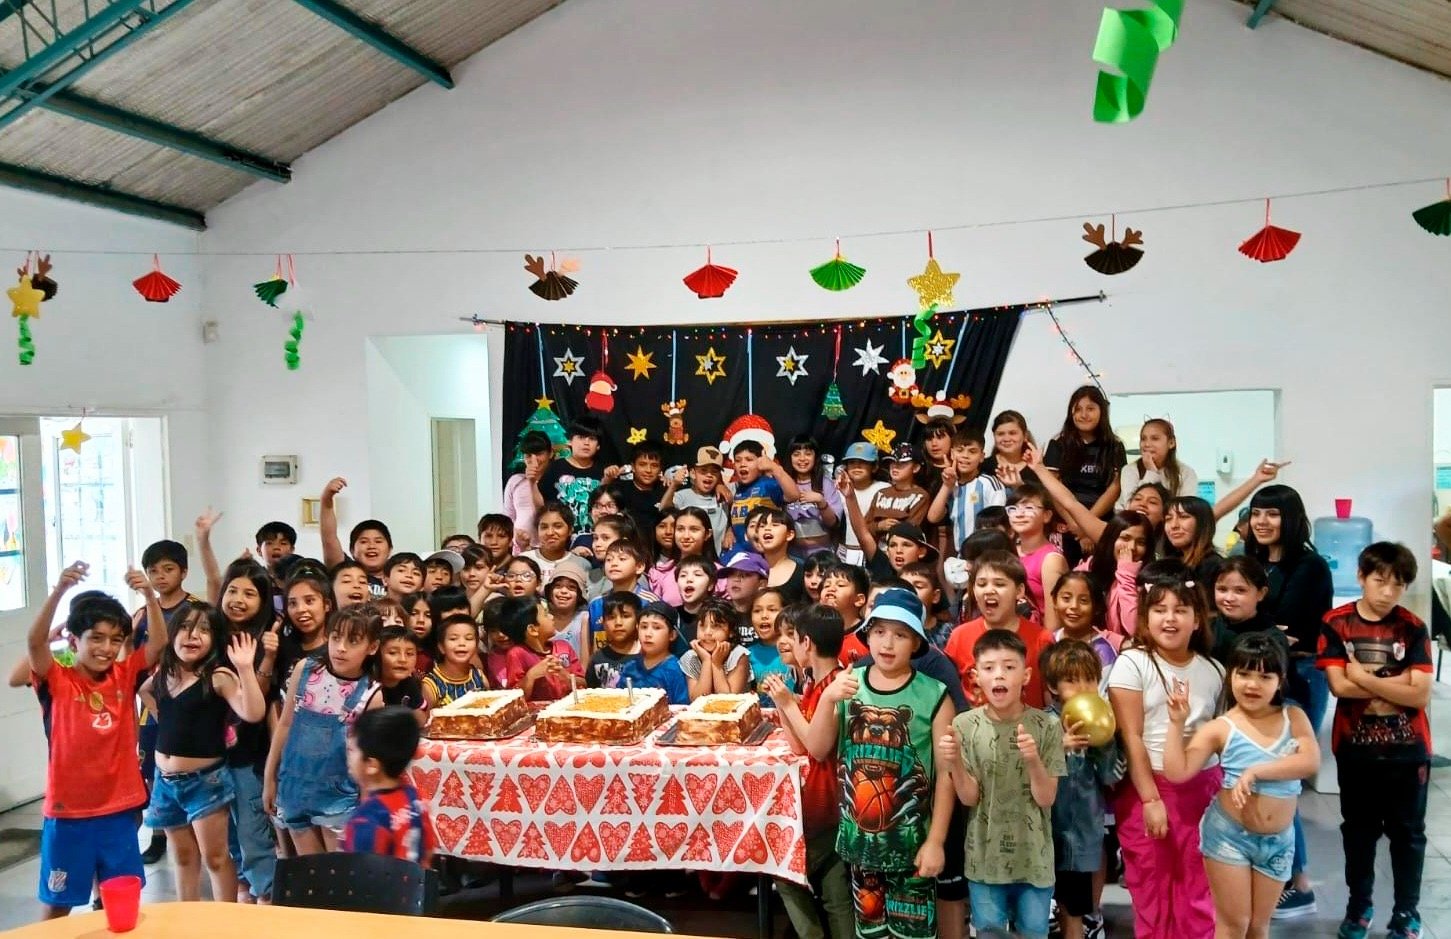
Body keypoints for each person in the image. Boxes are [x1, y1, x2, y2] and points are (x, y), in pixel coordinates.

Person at [804, 587, 955, 939]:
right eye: (880, 631)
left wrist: (936, 841)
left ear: (916, 643)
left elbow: (946, 775)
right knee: (869, 933)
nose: (888, 643)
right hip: (860, 848)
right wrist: (827, 698)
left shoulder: (935, 696)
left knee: (912, 934)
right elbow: (817, 748)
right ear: (867, 635)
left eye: (900, 634)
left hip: (911, 847)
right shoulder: (847, 684)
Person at [29, 561, 169, 919]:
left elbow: (158, 643)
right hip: (68, 813)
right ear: (73, 640)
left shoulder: (123, 675)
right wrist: (59, 591)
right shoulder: (56, 679)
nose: (106, 648)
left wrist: (149, 595)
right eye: (96, 638)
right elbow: (34, 642)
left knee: (120, 899)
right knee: (58, 903)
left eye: (116, 640)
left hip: (119, 811)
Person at [1162, 633, 1319, 939]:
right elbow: (1177, 772)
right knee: (1234, 926)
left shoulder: (1293, 716)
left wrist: (1256, 772)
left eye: (1265, 676)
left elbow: (1310, 761)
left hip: (1278, 841)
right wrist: (1176, 723)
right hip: (1229, 837)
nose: (1252, 684)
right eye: (1244, 674)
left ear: (1280, 681)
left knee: (1259, 926)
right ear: (1230, 675)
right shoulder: (1221, 727)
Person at [1317, 542, 1432, 939]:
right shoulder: (1336, 622)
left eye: (1397, 584)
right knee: (1359, 832)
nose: (1387, 592)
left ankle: (1406, 913)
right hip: (1356, 750)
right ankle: (1359, 908)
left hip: (1408, 751)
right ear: (1361, 577)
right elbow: (1339, 687)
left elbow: (1419, 695)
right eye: (1380, 580)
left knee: (1408, 835)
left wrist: (1363, 677)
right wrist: (1396, 683)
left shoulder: (1413, 627)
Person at [1106, 559, 1225, 939]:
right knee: (1152, 886)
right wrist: (1151, 798)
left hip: (1202, 790)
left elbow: (1216, 735)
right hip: (1149, 787)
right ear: (1145, 617)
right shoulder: (1133, 663)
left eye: (1180, 610)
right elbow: (1132, 736)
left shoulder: (1214, 670)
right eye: (1159, 610)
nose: (1170, 619)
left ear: (1198, 619)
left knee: (1198, 887)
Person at [938, 628, 1065, 939]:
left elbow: (1046, 798)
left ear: (1026, 675)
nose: (999, 675)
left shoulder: (1047, 725)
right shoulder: (964, 725)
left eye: (1009, 667)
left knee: (1034, 932)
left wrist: (1033, 759)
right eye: (989, 667)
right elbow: (969, 798)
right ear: (975, 676)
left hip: (1034, 860)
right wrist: (954, 762)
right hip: (984, 860)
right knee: (989, 933)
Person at [138, 602, 266, 903]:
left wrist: (245, 669)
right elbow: (144, 690)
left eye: (204, 630)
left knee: (215, 857)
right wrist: (164, 718)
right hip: (165, 782)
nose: (192, 635)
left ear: (214, 639)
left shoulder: (218, 676)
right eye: (185, 627)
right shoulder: (165, 673)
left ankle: (224, 921)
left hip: (204, 782)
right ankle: (188, 918)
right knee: (182, 857)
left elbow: (253, 712)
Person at [1245, 484, 1332, 918]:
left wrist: (1258, 624)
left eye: (1272, 514)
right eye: (1257, 513)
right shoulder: (1254, 563)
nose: (1262, 522)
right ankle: (1275, 875)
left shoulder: (1310, 566)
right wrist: (1266, 628)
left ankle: (1297, 884)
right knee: (1260, 776)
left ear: (1291, 518)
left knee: (1283, 778)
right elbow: (1265, 624)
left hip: (1300, 676)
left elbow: (1290, 624)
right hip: (1262, 677)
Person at [760, 605, 854, 939]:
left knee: (784, 872)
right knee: (834, 892)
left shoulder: (836, 686)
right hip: (823, 804)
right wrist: (782, 702)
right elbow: (799, 745)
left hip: (826, 803)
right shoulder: (817, 682)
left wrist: (788, 703)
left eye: (793, 636)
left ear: (807, 643)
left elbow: (817, 747)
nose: (787, 643)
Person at [264, 607, 382, 855]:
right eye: (336, 637)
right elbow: (285, 724)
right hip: (293, 786)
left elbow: (368, 756)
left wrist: (367, 803)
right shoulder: (305, 669)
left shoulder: (371, 693)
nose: (341, 648)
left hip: (338, 795)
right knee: (310, 870)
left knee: (339, 871)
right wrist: (269, 778)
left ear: (372, 647)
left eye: (353, 641)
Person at [1041, 640, 1121, 939]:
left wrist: (1105, 743)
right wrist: (1058, 748)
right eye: (1072, 681)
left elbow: (1111, 776)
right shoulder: (1042, 723)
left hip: (1081, 836)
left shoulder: (1101, 725)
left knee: (1074, 909)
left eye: (1090, 679)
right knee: (1036, 908)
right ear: (1053, 686)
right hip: (1043, 838)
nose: (1083, 688)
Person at [134, 538, 200, 865]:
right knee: (152, 767)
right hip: (151, 702)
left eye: (168, 569)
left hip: (188, 700)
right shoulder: (142, 614)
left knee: (189, 765)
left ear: (183, 572)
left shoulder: (196, 610)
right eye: (153, 571)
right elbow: (132, 660)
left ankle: (194, 827)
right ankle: (159, 833)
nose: (160, 576)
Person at [944, 550, 1054, 708]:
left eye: (999, 584)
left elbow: (1049, 698)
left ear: (1019, 591)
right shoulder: (959, 637)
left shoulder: (1041, 639)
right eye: (981, 584)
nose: (989, 590)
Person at [343, 706, 436, 866]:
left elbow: (361, 874)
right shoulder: (415, 798)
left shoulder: (366, 820)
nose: (348, 757)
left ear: (371, 765)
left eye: (351, 750)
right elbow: (428, 850)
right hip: (417, 880)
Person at [1040, 385, 1126, 525]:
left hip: (1102, 522)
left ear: (1102, 411)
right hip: (1065, 522)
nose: (1084, 415)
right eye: (1078, 409)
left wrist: (1088, 522)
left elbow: (1115, 488)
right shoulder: (1058, 443)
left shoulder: (1115, 445)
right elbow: (1052, 488)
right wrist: (1074, 522)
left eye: (1090, 409)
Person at [927, 428, 1007, 559]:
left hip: (986, 554)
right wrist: (947, 485)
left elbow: (999, 521)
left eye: (972, 451)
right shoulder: (951, 485)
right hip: (962, 556)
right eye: (960, 450)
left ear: (982, 457)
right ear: (952, 454)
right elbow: (933, 517)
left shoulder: (989, 483)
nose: (965, 456)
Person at [493, 595, 581, 701]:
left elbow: (584, 684)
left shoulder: (563, 647)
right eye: (545, 614)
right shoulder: (517, 654)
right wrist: (531, 676)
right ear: (532, 630)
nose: (551, 617)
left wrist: (566, 677)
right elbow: (514, 698)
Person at [1006, 483, 1067, 626]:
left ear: (1046, 515)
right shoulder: (1009, 552)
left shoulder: (1051, 560)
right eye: (1013, 508)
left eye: (1029, 508)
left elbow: (1053, 625)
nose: (1019, 514)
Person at [536, 415, 608, 533]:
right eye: (581, 437)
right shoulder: (556, 467)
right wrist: (532, 482)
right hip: (561, 536)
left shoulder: (604, 471)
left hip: (597, 535)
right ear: (569, 441)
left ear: (598, 445)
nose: (586, 443)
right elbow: (542, 504)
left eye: (592, 439)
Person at [1209, 556, 1284, 667]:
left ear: (1261, 593)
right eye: (1222, 589)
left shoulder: (1272, 640)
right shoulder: (1207, 629)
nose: (1229, 598)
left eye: (1240, 590)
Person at [727, 441, 801, 544]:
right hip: (739, 549)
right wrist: (730, 530)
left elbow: (794, 495)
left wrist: (774, 467)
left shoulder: (768, 484)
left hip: (764, 549)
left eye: (749, 459)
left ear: (761, 462)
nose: (742, 464)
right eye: (738, 460)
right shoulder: (735, 488)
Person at [615, 602, 690, 704]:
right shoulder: (630, 667)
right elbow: (619, 700)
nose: (648, 634)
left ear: (672, 635)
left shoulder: (674, 670)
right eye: (644, 627)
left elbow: (681, 707)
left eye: (656, 627)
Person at [784, 435, 845, 556]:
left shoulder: (826, 484)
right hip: (791, 554)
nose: (802, 458)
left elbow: (833, 523)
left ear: (815, 457)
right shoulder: (783, 484)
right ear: (789, 457)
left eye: (808, 454)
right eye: (796, 454)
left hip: (822, 554)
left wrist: (821, 501)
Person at [1117, 419, 1199, 508]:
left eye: (1155, 439)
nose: (1147, 444)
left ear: (1171, 443)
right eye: (1143, 439)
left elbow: (1186, 509)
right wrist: (1151, 471)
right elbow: (1131, 507)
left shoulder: (1186, 473)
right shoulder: (1130, 470)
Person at [664, 446, 730, 553]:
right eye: (703, 470)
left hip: (717, 559)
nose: (709, 475)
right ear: (693, 473)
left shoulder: (723, 496)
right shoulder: (682, 496)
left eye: (714, 472)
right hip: (688, 559)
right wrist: (674, 485)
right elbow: (664, 511)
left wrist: (731, 530)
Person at [682, 597, 751, 698]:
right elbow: (697, 700)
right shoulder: (691, 657)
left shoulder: (738, 655)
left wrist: (717, 664)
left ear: (731, 631)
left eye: (716, 626)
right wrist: (706, 661)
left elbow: (729, 701)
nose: (707, 632)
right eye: (702, 626)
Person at [1050, 571, 1119, 668]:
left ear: (1097, 607)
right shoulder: (1049, 640)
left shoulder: (1102, 651)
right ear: (1054, 601)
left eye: (1083, 601)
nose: (1074, 606)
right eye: (1066, 598)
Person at [421, 614, 490, 708]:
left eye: (468, 638)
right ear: (441, 646)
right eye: (453, 639)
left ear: (477, 644)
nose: (462, 643)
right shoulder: (431, 685)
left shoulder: (479, 677)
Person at [835, 442, 887, 566]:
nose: (857, 466)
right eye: (852, 462)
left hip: (875, 551)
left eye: (863, 462)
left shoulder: (884, 489)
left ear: (874, 467)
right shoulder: (837, 489)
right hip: (845, 550)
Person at [504, 430, 553, 547]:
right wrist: (515, 536)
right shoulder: (515, 481)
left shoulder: (556, 480)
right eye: (528, 455)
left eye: (539, 454)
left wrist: (533, 482)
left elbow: (544, 512)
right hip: (520, 547)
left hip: (547, 547)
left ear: (550, 453)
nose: (534, 460)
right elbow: (508, 516)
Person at [587, 592, 640, 688]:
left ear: (637, 621)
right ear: (603, 623)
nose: (618, 623)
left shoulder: (648, 656)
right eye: (611, 617)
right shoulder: (598, 659)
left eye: (625, 616)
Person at [748, 589, 792, 701]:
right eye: (757, 610)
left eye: (772, 610)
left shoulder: (796, 650)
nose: (764, 616)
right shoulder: (746, 655)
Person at [521, 502, 576, 586]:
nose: (550, 533)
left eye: (557, 526)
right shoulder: (524, 560)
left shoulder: (580, 564)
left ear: (570, 530)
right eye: (544, 527)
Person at [981, 409, 1035, 492]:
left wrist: (1019, 486)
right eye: (1000, 434)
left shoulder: (1035, 470)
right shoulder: (983, 467)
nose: (1006, 439)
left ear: (1025, 436)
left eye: (1012, 433)